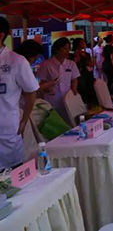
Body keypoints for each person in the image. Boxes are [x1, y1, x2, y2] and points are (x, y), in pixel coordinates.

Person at [0, 17, 39, 170]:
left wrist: (24, 120)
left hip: (7, 128)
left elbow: (31, 91)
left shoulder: (16, 61)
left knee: (11, 178)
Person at [38, 37, 80, 124]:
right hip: (52, 99)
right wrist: (47, 89)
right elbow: (42, 82)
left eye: (68, 48)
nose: (67, 51)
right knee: (56, 123)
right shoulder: (46, 64)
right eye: (64, 48)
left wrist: (74, 89)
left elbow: (74, 79)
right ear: (57, 49)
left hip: (68, 98)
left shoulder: (71, 63)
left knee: (70, 122)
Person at [71, 38, 98, 106]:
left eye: (84, 42)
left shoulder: (86, 54)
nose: (84, 44)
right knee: (83, 90)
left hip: (87, 74)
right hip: (80, 75)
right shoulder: (73, 55)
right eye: (82, 43)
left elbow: (91, 63)